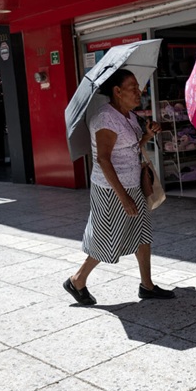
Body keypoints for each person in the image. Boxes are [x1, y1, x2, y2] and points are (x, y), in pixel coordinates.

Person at [63, 68, 175, 305]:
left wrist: (146, 135)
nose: (139, 91)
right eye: (133, 87)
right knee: (107, 239)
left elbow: (131, 147)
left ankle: (147, 285)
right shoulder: (105, 118)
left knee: (142, 234)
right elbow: (103, 159)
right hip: (111, 190)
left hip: (132, 184)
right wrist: (123, 197)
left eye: (138, 87)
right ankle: (77, 280)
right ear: (117, 91)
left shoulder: (129, 115)